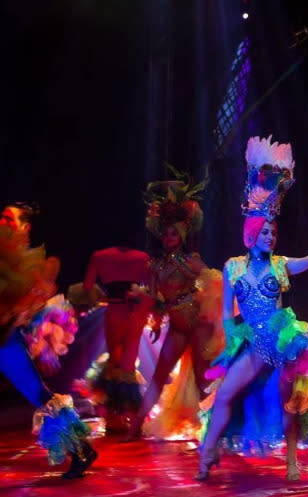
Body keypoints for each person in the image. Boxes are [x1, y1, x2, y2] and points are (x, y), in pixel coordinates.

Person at [196, 135, 308, 481]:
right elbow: (226, 311)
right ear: (251, 234)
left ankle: (292, 461)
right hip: (252, 345)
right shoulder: (232, 266)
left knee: (288, 404)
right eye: (265, 231)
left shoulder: (281, 265)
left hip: (281, 343)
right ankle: (208, 455)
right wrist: (235, 332)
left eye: (273, 231)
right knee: (223, 396)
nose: (270, 236)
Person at [124, 171, 224, 441]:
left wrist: (212, 310)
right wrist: (156, 322)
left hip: (198, 325)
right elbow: (156, 300)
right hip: (178, 328)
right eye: (165, 234)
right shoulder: (155, 266)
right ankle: (135, 428)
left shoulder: (190, 260)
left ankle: (217, 426)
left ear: (181, 235)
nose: (169, 238)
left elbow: (214, 280)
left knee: (204, 381)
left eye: (173, 234)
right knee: (159, 376)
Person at [0, 203, 97, 479]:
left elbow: (37, 296)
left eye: (9, 220)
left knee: (40, 395)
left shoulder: (28, 264)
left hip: (8, 342)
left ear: (24, 228)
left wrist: (17, 311)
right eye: (1, 218)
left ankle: (80, 448)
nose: (2, 223)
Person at [82, 245, 150, 426]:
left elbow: (87, 287)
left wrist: (104, 295)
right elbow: (150, 289)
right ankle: (131, 417)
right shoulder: (142, 256)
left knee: (115, 362)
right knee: (128, 366)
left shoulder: (99, 255)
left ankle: (115, 418)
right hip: (134, 312)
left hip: (114, 311)